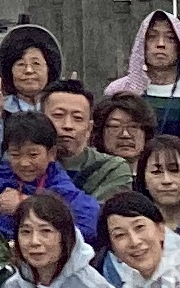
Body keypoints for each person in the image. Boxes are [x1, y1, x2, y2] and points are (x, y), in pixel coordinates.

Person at [0, 111, 93, 243]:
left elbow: (88, 227)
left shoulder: (60, 187)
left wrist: (27, 205)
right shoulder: (1, 179)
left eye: (33, 155)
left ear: (51, 153)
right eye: (15, 155)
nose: (24, 163)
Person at [0, 23, 62, 172]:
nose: (29, 70)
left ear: (49, 68)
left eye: (36, 63)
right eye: (20, 64)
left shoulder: (60, 107)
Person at [105, 8, 180, 133]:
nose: (160, 44)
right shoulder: (119, 90)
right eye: (152, 37)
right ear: (142, 44)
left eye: (170, 38)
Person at [45, 81, 133, 216]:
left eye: (78, 118)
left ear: (89, 128)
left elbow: (99, 217)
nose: (67, 125)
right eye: (58, 115)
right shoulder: (22, 162)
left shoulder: (110, 168)